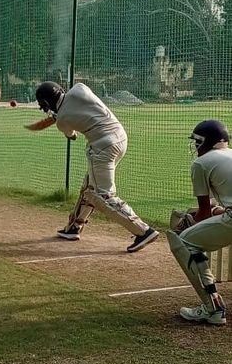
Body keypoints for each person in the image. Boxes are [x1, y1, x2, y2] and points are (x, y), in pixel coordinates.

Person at [35, 81, 159, 252]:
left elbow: (72, 136)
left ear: (48, 103)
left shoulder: (62, 121)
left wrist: (60, 116)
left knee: (104, 195)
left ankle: (143, 230)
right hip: (121, 138)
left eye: (44, 105)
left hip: (102, 148)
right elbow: (83, 108)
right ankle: (73, 227)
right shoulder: (79, 88)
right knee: (89, 186)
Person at [167, 120, 232, 325]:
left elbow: (204, 212)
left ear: (205, 142)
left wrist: (186, 223)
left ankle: (213, 309)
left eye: (197, 142)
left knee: (186, 242)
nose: (195, 147)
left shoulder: (201, 163)